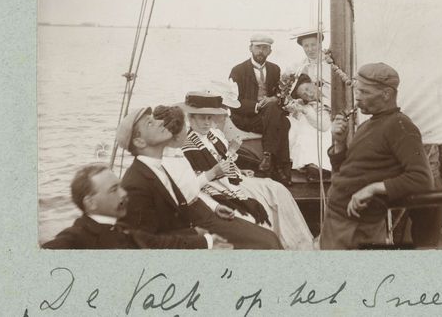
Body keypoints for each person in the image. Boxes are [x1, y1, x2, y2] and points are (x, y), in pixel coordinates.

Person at [116, 106, 283, 250]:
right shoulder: (136, 184)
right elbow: (145, 243)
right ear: (139, 142)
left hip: (200, 215)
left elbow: (187, 197)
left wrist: (214, 206)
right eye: (150, 123)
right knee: (267, 243)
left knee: (270, 239)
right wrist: (203, 240)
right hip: (192, 228)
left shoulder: (157, 166)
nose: (160, 122)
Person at [171, 91, 314, 250]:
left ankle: (299, 245)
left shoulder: (214, 135)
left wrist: (239, 169)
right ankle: (279, 244)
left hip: (232, 179)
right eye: (201, 118)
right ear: (191, 118)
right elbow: (191, 183)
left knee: (278, 189)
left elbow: (223, 161)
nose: (206, 123)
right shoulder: (185, 145)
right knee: (264, 202)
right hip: (217, 187)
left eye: (209, 118)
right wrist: (215, 171)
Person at [319, 62, 434, 250]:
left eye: (364, 92)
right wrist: (339, 143)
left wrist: (373, 189)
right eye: (357, 91)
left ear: (386, 94)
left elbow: (422, 179)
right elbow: (344, 169)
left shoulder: (401, 126)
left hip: (357, 229)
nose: (357, 97)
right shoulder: (367, 125)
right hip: (335, 220)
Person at [42, 163, 231, 249]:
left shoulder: (122, 229)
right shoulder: (74, 238)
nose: (124, 193)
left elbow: (159, 243)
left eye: (120, 187)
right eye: (114, 190)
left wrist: (207, 241)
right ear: (90, 203)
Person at [229, 34, 291, 185]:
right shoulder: (238, 70)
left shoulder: (274, 69)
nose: (261, 51)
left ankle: (269, 158)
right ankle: (279, 167)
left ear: (270, 51)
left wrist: (275, 99)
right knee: (283, 122)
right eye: (258, 47)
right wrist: (256, 106)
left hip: (268, 117)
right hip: (247, 118)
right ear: (250, 48)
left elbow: (279, 94)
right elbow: (232, 101)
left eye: (265, 48)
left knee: (280, 118)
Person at [284, 73, 332, 173]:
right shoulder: (310, 105)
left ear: (312, 83)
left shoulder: (329, 90)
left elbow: (325, 125)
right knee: (304, 123)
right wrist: (299, 110)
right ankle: (312, 163)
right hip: (322, 126)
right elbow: (324, 125)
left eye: (307, 89)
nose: (309, 94)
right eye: (304, 95)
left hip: (333, 125)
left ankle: (318, 164)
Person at [288, 29, 331, 105]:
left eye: (313, 45)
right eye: (306, 46)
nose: (310, 49)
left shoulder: (330, 63)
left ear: (320, 44)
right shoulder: (299, 66)